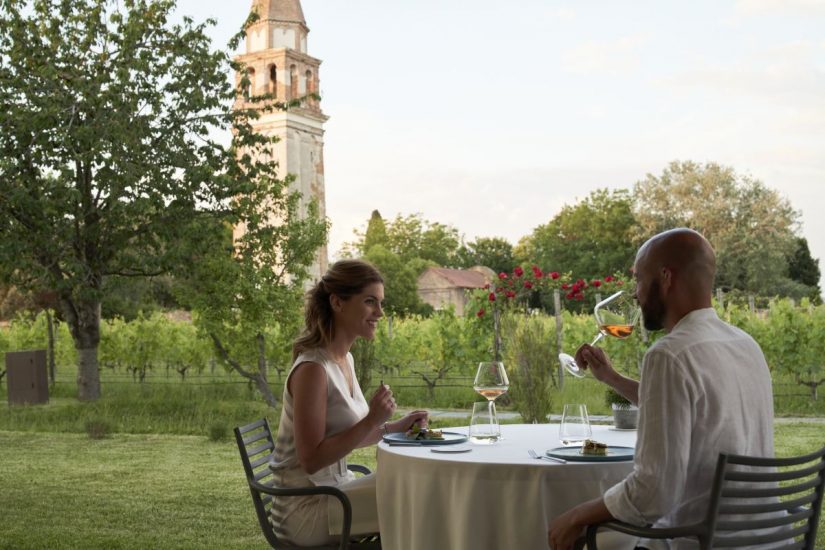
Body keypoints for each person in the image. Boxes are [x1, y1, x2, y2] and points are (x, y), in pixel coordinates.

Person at [548, 228, 775, 550]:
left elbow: (652, 493)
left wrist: (574, 516)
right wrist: (610, 377)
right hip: (767, 539)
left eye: (639, 280)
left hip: (697, 541)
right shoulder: (744, 344)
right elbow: (693, 409)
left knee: (562, 534)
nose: (637, 294)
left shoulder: (670, 354)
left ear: (665, 278)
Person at [269, 259, 428, 546]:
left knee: (416, 488)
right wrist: (372, 419)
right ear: (338, 303)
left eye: (380, 303)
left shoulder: (345, 360)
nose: (380, 312)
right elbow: (312, 458)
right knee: (415, 493)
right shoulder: (313, 370)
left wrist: (394, 427)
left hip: (335, 494)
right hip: (307, 510)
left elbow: (342, 437)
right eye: (370, 302)